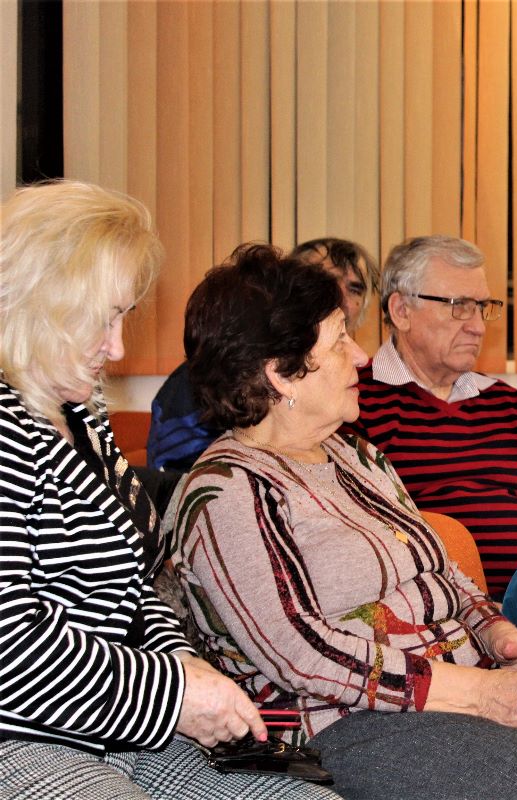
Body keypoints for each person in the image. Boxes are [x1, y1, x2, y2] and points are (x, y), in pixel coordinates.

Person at [170, 244, 517, 800]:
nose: (360, 356)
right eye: (339, 340)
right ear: (282, 374)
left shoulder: (358, 457)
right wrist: (482, 692)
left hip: (458, 688)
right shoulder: (228, 491)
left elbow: (442, 576)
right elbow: (302, 655)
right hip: (346, 722)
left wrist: (502, 637)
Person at [0, 181, 338, 799]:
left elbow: (137, 584)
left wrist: (183, 660)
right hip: (22, 739)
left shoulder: (82, 419)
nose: (117, 347)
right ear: (38, 305)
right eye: (102, 320)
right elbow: (9, 646)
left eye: (122, 317)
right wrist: (175, 695)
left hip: (117, 729)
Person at [349, 235, 517, 599]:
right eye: (460, 306)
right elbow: (361, 537)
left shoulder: (510, 405)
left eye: (482, 307)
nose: (479, 326)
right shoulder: (356, 402)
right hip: (431, 611)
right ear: (402, 311)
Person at [146, 237, 377, 472]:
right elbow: (177, 479)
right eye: (323, 278)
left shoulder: (361, 442)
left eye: (354, 288)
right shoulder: (200, 384)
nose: (341, 296)